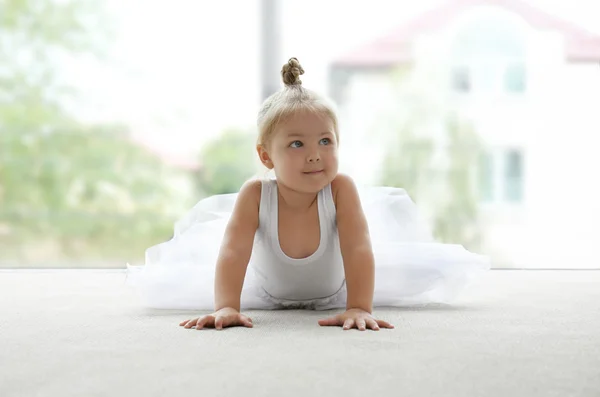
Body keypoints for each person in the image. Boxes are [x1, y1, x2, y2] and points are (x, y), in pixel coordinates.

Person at [126, 57, 490, 331]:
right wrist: (226, 306)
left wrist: (359, 306)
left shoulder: (340, 189)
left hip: (337, 291)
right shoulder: (255, 194)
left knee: (414, 277)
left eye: (325, 141)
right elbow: (234, 251)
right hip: (268, 293)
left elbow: (358, 248)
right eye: (297, 143)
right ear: (266, 156)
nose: (315, 153)